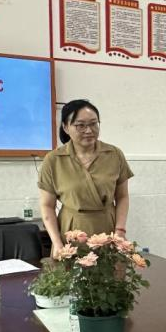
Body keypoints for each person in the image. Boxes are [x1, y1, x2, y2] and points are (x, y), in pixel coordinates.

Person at [38, 100, 133, 256]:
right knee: (70, 270)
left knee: (109, 269)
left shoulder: (114, 154)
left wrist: (120, 231)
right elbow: (47, 205)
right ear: (65, 127)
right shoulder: (53, 160)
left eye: (94, 124)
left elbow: (122, 196)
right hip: (71, 231)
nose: (89, 130)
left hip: (108, 230)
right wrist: (57, 242)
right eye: (80, 125)